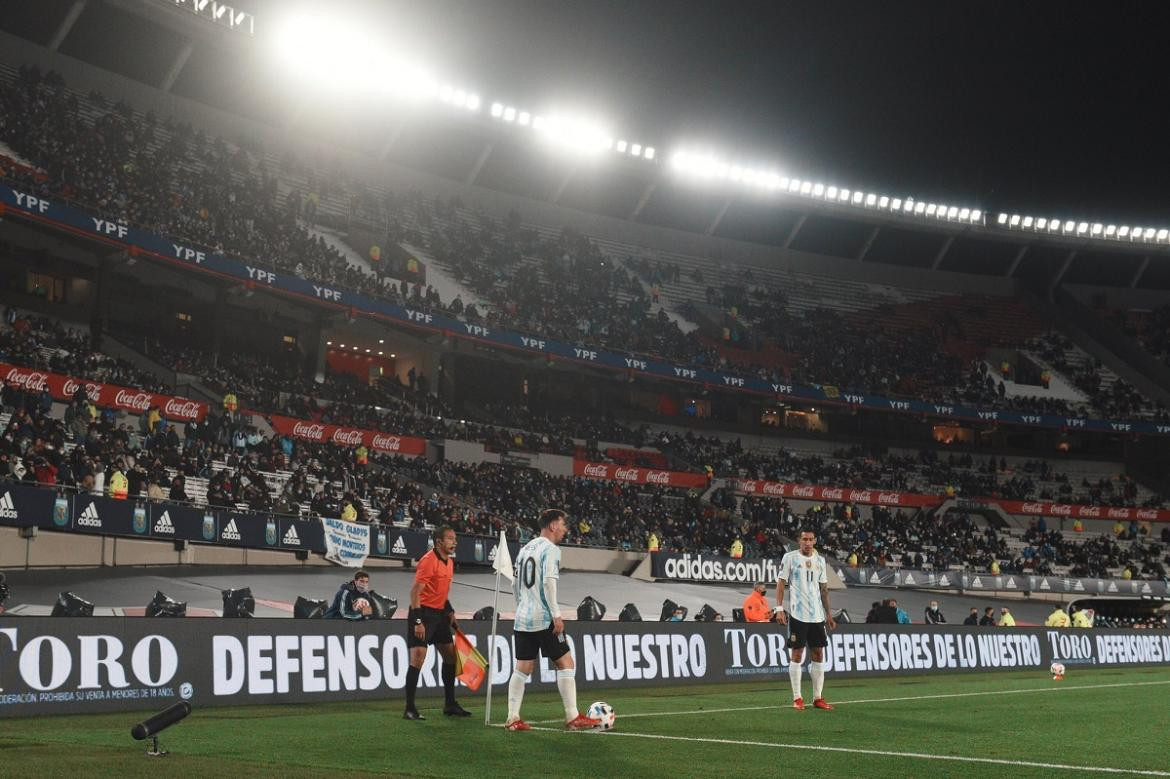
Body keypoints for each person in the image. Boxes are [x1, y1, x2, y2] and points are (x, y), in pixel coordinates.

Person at [504, 509, 599, 732]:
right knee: (566, 663)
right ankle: (572, 716)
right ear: (553, 525)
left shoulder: (524, 549)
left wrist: (521, 609)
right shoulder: (551, 550)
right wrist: (556, 614)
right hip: (543, 617)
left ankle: (512, 718)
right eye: (563, 524)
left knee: (523, 667)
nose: (565, 530)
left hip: (523, 617)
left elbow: (513, 585)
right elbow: (548, 583)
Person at [404, 526, 469, 721]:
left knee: (450, 658)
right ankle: (409, 708)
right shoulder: (428, 561)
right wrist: (417, 621)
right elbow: (415, 593)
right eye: (450, 539)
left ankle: (450, 704)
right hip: (422, 614)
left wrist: (449, 611)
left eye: (455, 538)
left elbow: (440, 591)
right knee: (418, 659)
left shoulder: (449, 562)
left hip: (439, 614)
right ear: (439, 542)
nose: (454, 542)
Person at [775, 527, 837, 711]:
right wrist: (779, 609)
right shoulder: (790, 558)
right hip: (797, 615)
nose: (808, 543)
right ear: (799, 540)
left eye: (811, 539)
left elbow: (824, 589)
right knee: (797, 654)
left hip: (817, 616)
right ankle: (797, 698)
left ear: (815, 541)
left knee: (818, 654)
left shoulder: (820, 560)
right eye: (804, 539)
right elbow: (780, 584)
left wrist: (829, 614)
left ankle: (817, 698)